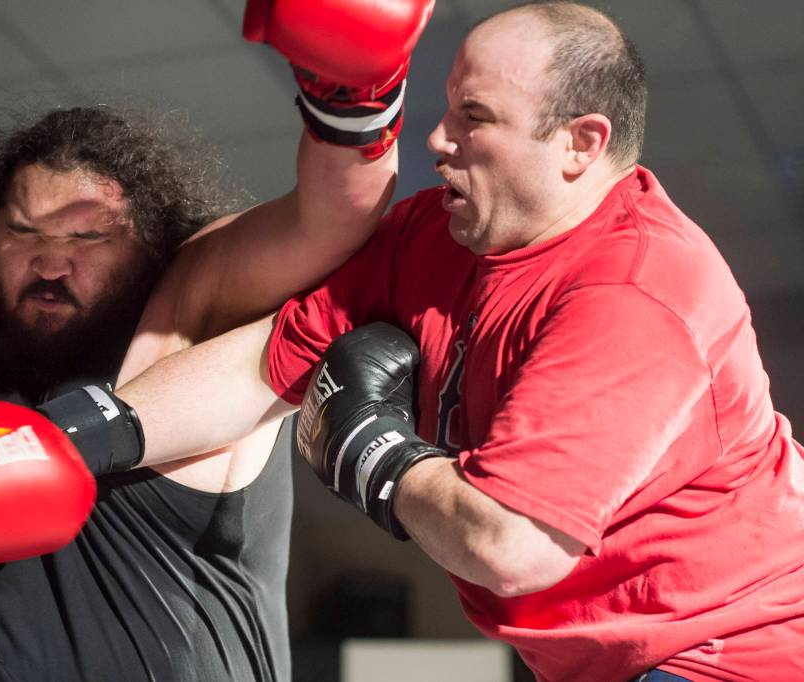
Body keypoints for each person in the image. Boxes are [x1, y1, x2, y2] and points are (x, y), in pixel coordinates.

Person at [107, 2, 804, 680]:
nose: (438, 139)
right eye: (447, 110)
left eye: (474, 117)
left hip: (746, 649)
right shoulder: (433, 239)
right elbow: (263, 363)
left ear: (580, 143)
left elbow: (510, 543)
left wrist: (380, 456)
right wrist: (79, 438)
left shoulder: (636, 289)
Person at [0, 1, 435, 679]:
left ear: (147, 242)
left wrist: (353, 95)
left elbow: (335, 219)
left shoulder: (187, 312)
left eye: (87, 237)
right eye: (22, 231)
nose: (50, 261)